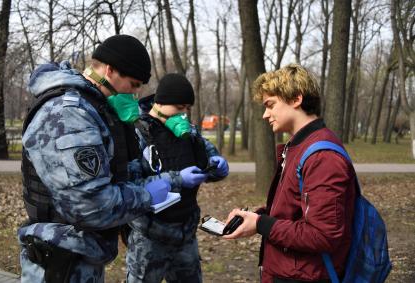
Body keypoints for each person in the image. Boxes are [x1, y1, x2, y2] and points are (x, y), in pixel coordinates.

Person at [19, 35, 206, 283]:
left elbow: (124, 172)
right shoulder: (68, 114)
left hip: (81, 256)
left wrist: (169, 180)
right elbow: (91, 206)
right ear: (109, 70)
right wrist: (149, 195)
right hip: (58, 263)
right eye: (133, 83)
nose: (136, 93)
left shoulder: (96, 110)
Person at [223, 64, 357, 283]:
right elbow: (295, 209)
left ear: (296, 99)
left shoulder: (322, 156)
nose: (265, 114)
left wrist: (260, 224)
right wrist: (255, 217)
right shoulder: (299, 146)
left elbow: (322, 235)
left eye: (270, 105)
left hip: (306, 276)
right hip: (288, 272)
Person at [125, 73, 229, 283]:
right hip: (149, 238)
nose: (183, 114)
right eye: (179, 108)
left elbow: (207, 158)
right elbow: (131, 187)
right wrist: (177, 179)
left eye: (186, 109)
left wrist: (217, 166)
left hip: (185, 234)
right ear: (160, 103)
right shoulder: (135, 132)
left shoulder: (189, 132)